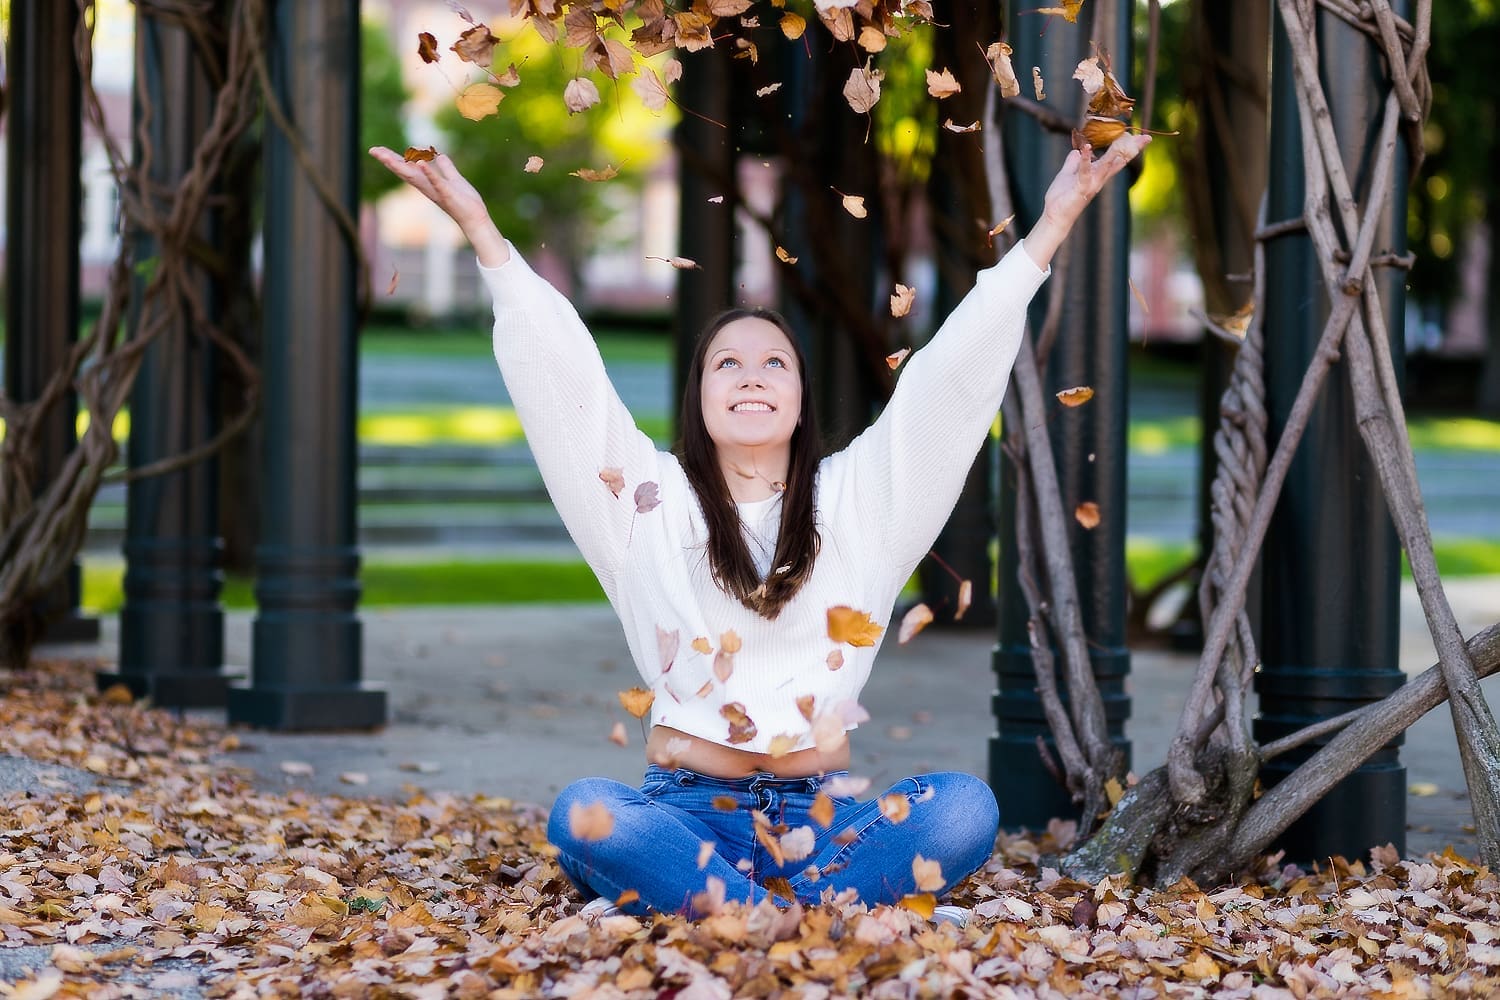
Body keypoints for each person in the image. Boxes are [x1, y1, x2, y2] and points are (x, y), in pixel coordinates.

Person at [370, 129, 1148, 923]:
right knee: (587, 812)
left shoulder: (860, 500)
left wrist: (1048, 230)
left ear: (801, 399)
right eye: (727, 364)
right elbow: (564, 387)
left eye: (774, 363)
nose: (751, 377)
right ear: (700, 398)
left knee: (963, 809)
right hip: (685, 817)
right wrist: (484, 234)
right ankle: (801, 918)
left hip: (824, 823)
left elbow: (945, 387)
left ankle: (733, 912)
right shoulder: (646, 500)